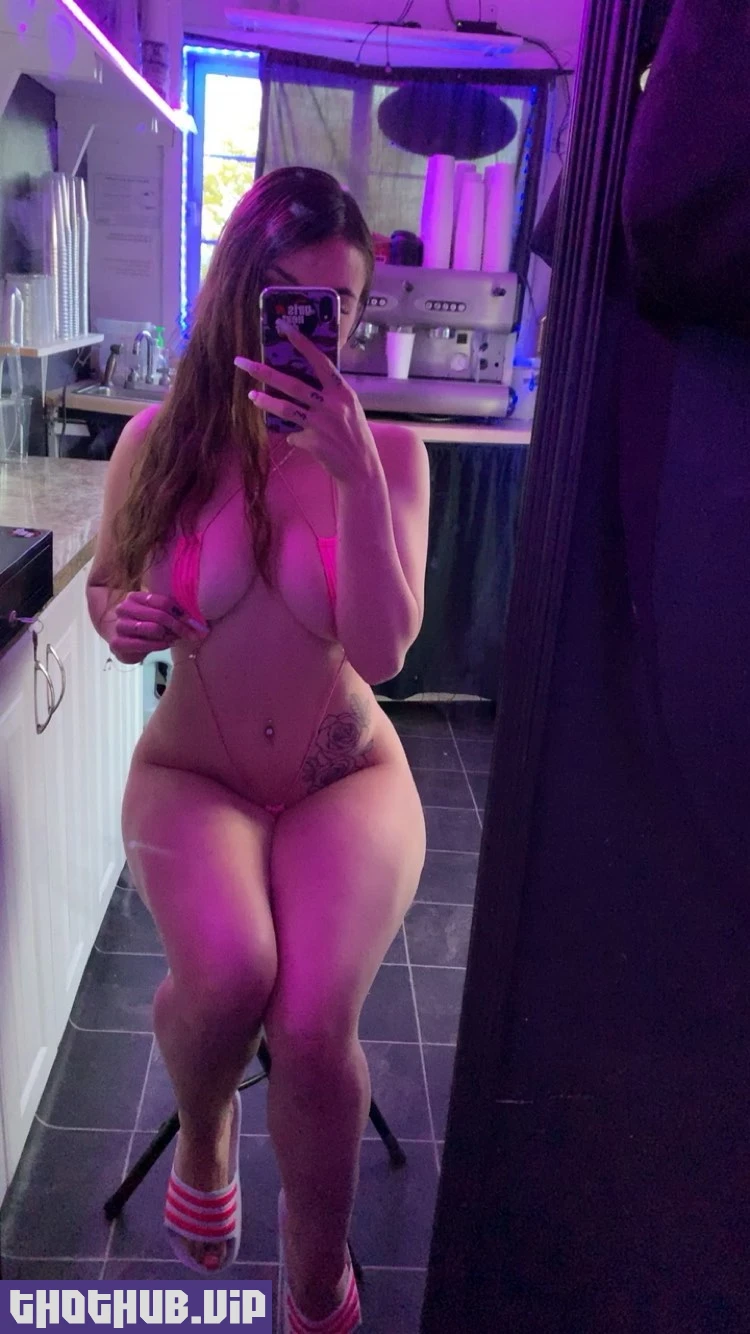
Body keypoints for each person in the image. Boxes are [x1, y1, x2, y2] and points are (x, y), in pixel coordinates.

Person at [87, 166, 430, 1332]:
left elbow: (381, 652)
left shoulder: (391, 456)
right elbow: (105, 589)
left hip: (346, 778)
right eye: (284, 294)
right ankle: (207, 1124)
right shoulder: (158, 443)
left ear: (356, 316)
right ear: (239, 287)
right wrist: (124, 619)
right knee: (230, 971)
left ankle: (315, 1274)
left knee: (313, 1024)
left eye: (334, 308)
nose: (308, 326)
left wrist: (353, 475)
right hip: (197, 773)